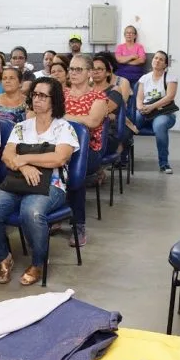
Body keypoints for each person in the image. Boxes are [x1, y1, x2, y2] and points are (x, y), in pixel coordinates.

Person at [0, 77, 79, 286]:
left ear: (55, 100)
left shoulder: (64, 128)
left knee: (31, 212)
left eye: (43, 96)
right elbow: (7, 156)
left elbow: (59, 158)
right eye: (35, 94)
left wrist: (24, 158)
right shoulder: (21, 127)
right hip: (17, 181)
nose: (37, 99)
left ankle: (38, 263)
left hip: (52, 185)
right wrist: (24, 167)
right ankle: (2, 257)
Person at [64, 54, 107, 244]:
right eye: (71, 69)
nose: (73, 73)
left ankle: (78, 225)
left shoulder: (98, 97)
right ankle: (54, 216)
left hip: (88, 151)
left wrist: (63, 116)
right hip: (60, 147)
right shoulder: (61, 94)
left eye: (78, 69)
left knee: (74, 169)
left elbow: (92, 121)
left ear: (89, 73)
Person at [136, 51, 178, 174]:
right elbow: (139, 98)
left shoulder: (170, 78)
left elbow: (169, 97)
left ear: (165, 64)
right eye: (155, 58)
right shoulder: (144, 78)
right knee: (130, 124)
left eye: (161, 59)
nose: (157, 60)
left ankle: (164, 163)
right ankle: (122, 159)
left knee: (159, 126)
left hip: (163, 112)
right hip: (145, 110)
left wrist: (152, 107)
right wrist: (140, 108)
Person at [92, 53, 132, 160]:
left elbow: (102, 113)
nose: (95, 71)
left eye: (99, 69)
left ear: (108, 72)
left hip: (107, 132)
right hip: (89, 129)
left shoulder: (115, 89)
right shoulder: (86, 90)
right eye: (92, 68)